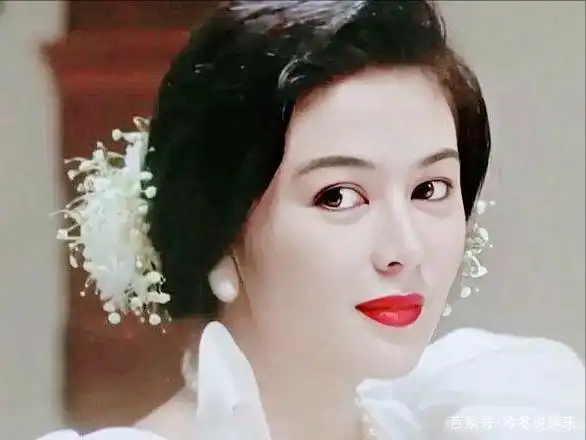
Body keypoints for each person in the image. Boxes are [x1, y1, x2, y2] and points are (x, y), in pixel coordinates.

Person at [39, 1, 584, 439]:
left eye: (429, 189)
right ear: (222, 234)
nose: (405, 248)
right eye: (339, 197)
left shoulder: (489, 412)